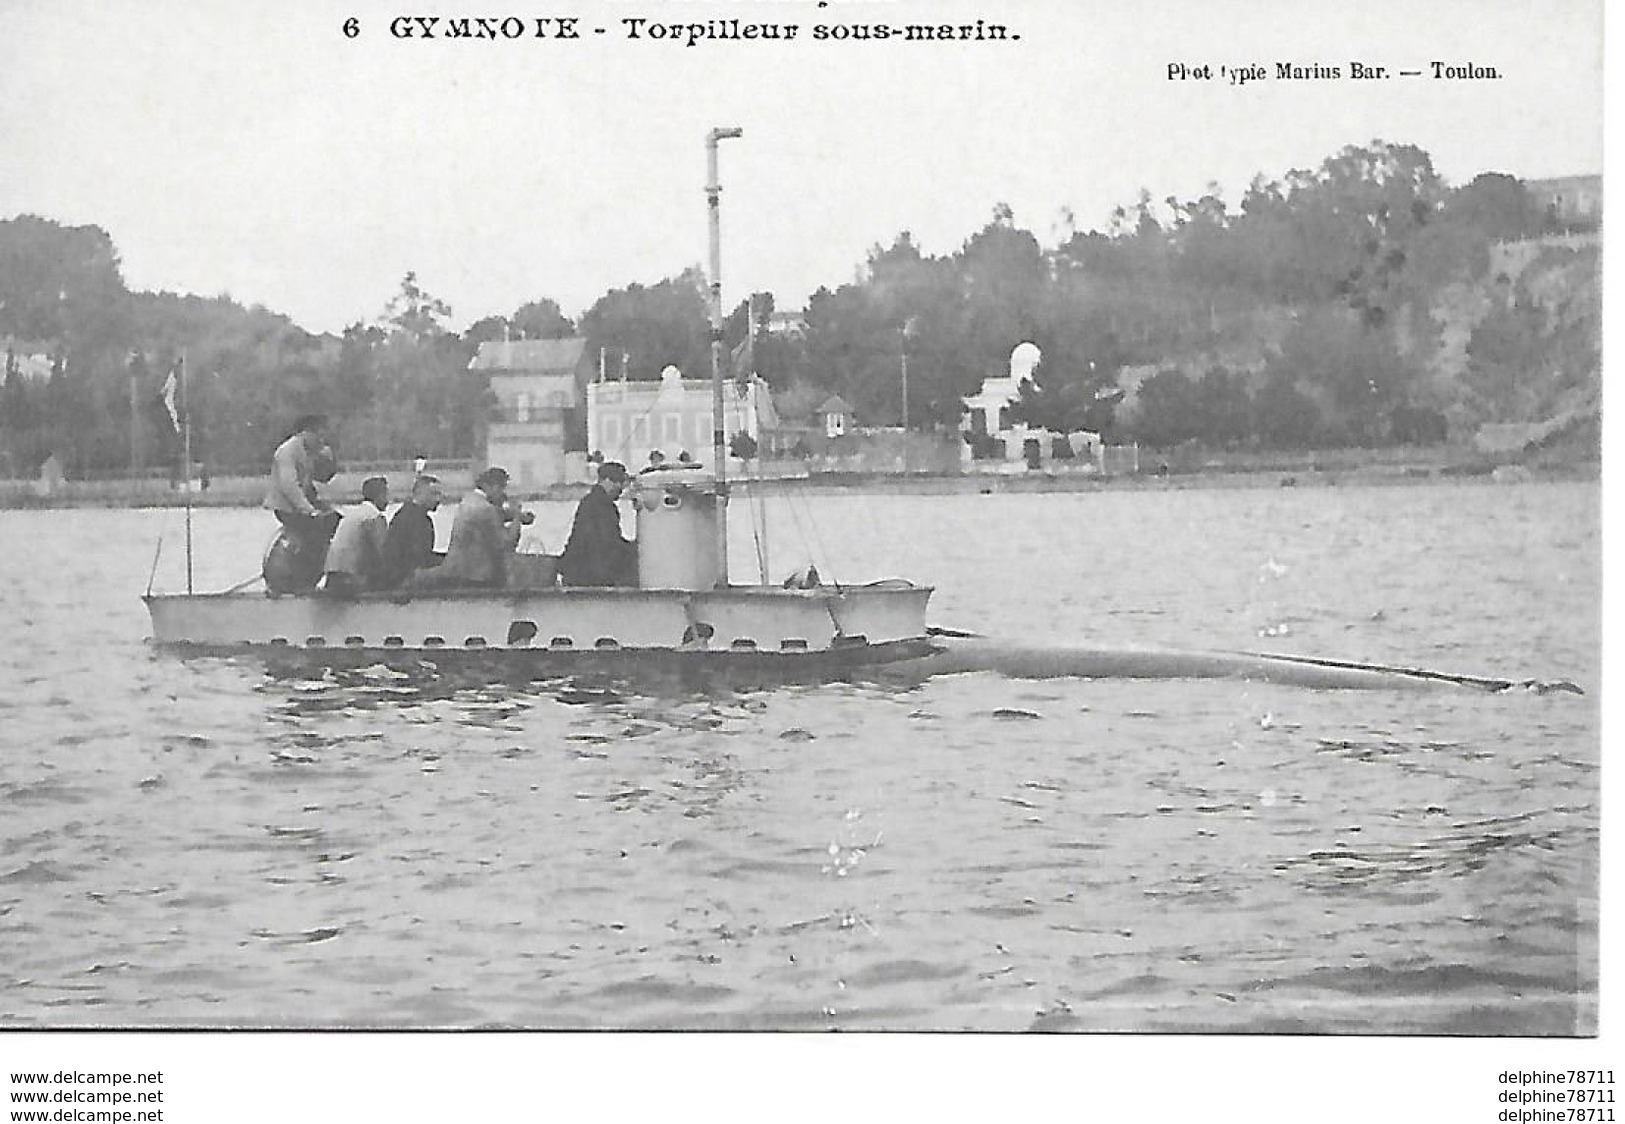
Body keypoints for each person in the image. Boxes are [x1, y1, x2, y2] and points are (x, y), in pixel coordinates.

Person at [263, 414, 341, 591]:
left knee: (335, 520)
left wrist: (329, 460)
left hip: (305, 503)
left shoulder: (311, 452)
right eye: (319, 436)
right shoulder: (286, 451)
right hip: (287, 507)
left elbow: (324, 478)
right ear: (307, 433)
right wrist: (309, 510)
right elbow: (289, 485)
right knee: (315, 530)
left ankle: (322, 574)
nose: (321, 440)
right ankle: (302, 577)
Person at [417, 466, 523, 588]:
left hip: (456, 571)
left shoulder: (469, 500)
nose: (503, 494)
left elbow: (491, 518)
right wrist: (517, 517)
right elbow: (507, 543)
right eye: (501, 488)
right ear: (490, 486)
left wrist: (510, 515)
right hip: (474, 577)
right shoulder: (486, 509)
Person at [559, 460, 635, 587]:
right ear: (606, 480)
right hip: (588, 575)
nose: (621, 488)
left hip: (576, 571)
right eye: (619, 482)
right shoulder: (603, 506)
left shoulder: (591, 501)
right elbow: (607, 543)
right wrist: (633, 549)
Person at [322, 476, 391, 596]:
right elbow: (384, 551)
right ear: (379, 495)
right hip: (353, 579)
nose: (388, 500)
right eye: (386, 495)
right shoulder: (373, 517)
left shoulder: (352, 513)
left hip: (333, 577)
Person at [380, 474, 444, 588]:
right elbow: (420, 557)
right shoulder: (418, 519)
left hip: (398, 574)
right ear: (419, 493)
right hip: (404, 578)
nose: (438, 499)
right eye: (434, 494)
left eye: (439, 494)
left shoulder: (406, 513)